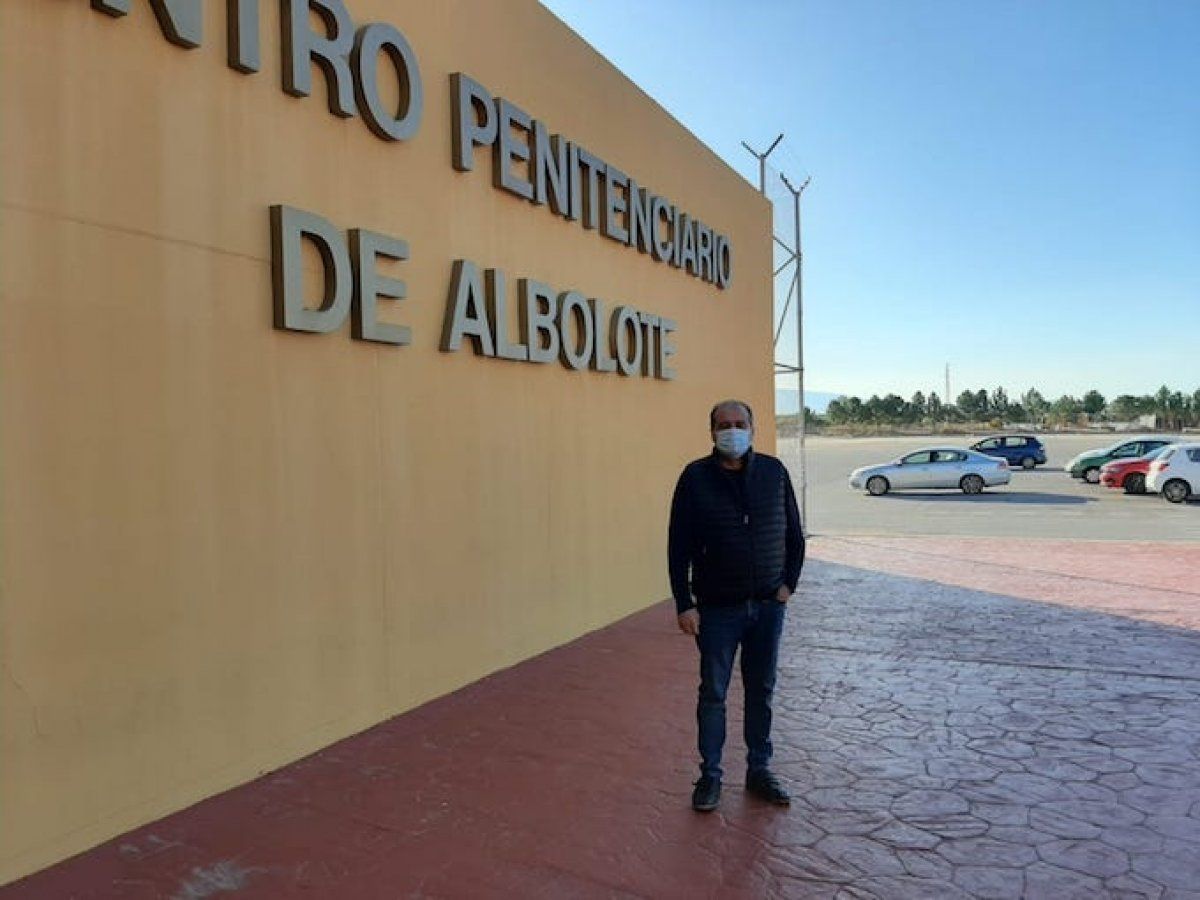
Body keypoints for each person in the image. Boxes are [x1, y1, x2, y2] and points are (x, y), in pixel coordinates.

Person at [668, 399, 805, 812]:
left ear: (753, 428)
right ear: (711, 432)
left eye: (739, 423)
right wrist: (684, 603)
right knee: (713, 693)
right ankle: (710, 776)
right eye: (723, 425)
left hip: (767, 606)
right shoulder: (694, 478)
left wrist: (787, 587)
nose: (732, 430)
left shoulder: (774, 473)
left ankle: (758, 770)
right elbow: (678, 547)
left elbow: (794, 535)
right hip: (716, 611)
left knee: (761, 691)